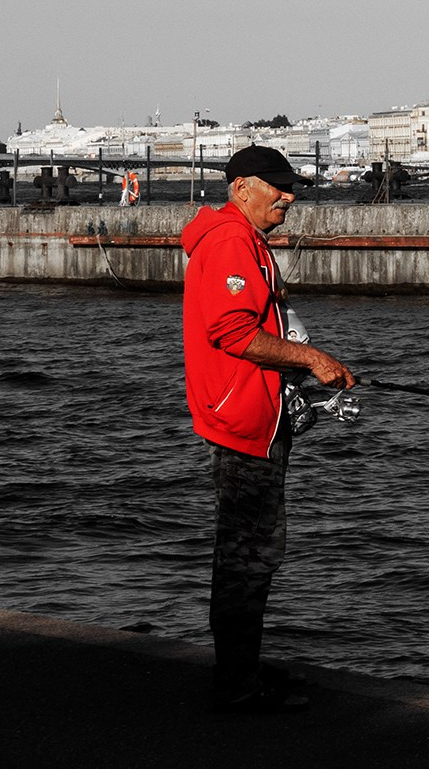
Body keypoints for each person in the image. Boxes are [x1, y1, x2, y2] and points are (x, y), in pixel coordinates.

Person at [180, 143, 354, 713]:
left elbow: (252, 327)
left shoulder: (243, 239)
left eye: (290, 185)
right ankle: (237, 685)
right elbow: (232, 332)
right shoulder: (232, 241)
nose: (289, 195)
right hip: (242, 422)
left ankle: (243, 667)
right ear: (240, 187)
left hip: (248, 413)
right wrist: (311, 360)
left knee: (251, 549)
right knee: (249, 553)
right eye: (277, 186)